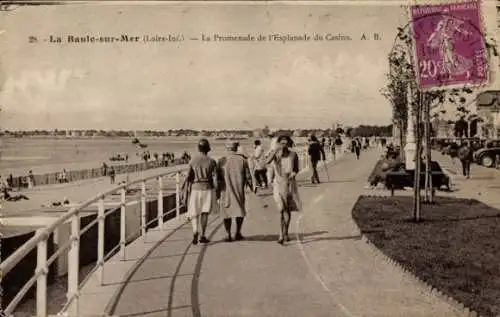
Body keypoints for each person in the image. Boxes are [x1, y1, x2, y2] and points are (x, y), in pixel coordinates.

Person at [266, 135, 302, 245]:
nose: (284, 145)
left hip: (289, 184)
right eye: (281, 143)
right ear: (278, 143)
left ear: (289, 144)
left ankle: (285, 232)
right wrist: (275, 150)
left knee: (287, 209)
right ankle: (281, 234)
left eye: (286, 143)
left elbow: (296, 169)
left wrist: (292, 175)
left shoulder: (293, 155)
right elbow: (267, 162)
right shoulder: (276, 154)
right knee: (281, 209)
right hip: (278, 184)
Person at [217, 141, 253, 242]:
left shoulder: (221, 160)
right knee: (239, 210)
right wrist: (252, 187)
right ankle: (237, 232)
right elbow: (248, 177)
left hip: (225, 190)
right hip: (239, 189)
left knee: (226, 212)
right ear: (236, 148)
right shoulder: (242, 160)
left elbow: (217, 178)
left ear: (226, 148)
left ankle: (228, 234)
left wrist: (217, 192)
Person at [184, 138, 218, 245]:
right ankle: (203, 235)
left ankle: (195, 231)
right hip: (207, 188)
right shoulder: (212, 161)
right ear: (208, 149)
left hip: (195, 188)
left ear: (198, 148)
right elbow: (215, 178)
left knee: (194, 212)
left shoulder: (193, 160)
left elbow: (189, 176)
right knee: (204, 212)